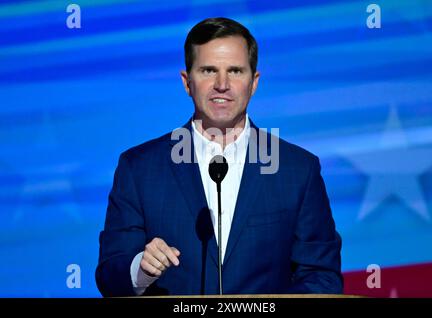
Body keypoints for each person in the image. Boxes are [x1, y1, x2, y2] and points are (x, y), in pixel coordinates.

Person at [95, 17, 343, 297]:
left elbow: (321, 277)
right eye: (208, 70)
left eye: (235, 71)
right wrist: (141, 269)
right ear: (187, 82)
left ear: (254, 82)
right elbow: (109, 275)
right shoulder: (139, 169)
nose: (222, 84)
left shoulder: (298, 170)